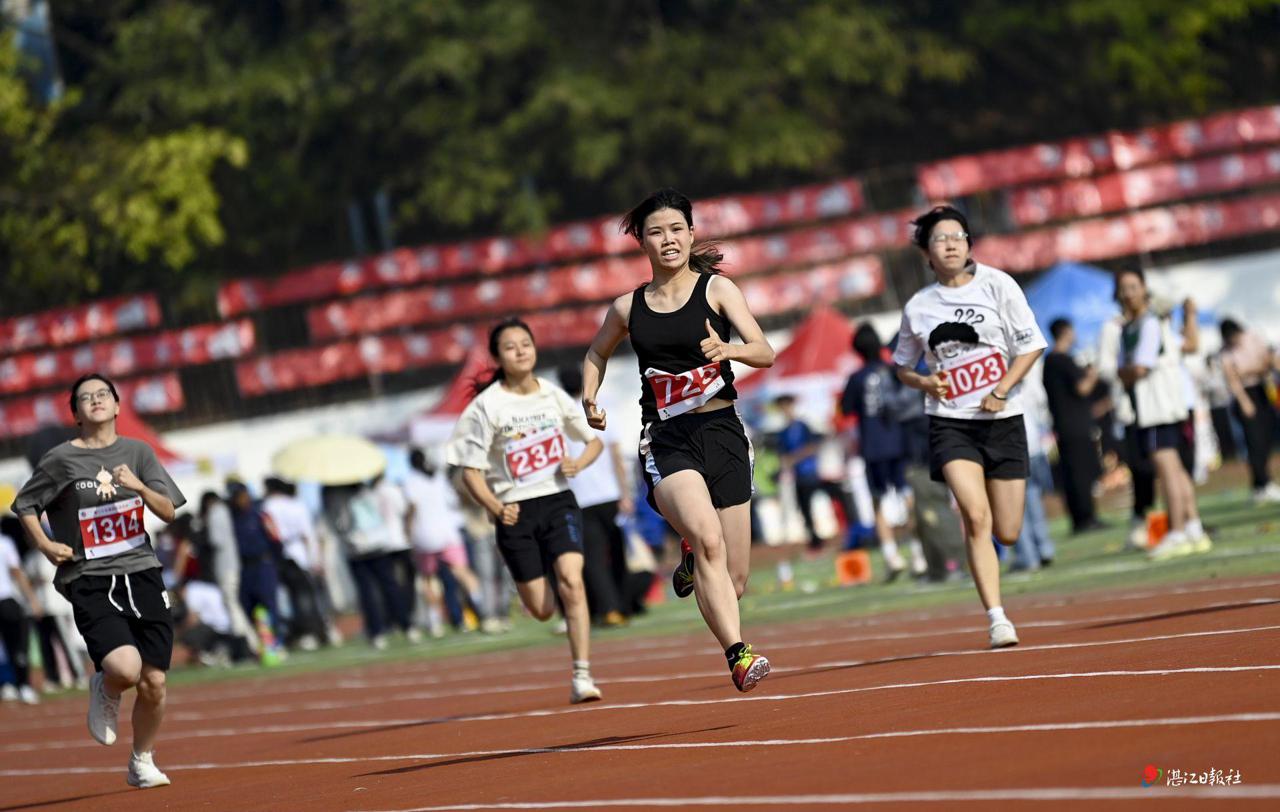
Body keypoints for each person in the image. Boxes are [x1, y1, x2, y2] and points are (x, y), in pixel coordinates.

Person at [582, 187, 776, 691]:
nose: (667, 240)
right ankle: (738, 654)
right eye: (655, 233)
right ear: (642, 243)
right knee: (709, 538)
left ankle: (692, 557)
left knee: (733, 580)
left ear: (691, 235)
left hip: (723, 431)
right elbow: (596, 353)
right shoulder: (628, 307)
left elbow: (765, 351)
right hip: (667, 438)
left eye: (675, 230)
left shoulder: (718, 290)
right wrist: (589, 398)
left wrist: (727, 350)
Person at [11, 373, 186, 788]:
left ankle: (142, 759)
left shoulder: (139, 452)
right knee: (126, 670)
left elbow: (168, 511)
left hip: (142, 572)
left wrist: (138, 486)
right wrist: (46, 546)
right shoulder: (60, 459)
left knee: (155, 682)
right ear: (76, 413)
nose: (95, 401)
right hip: (91, 576)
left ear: (117, 406)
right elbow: (25, 505)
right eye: (85, 398)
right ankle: (105, 686)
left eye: (103, 394)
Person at [892, 206, 1047, 649]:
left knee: (1008, 530)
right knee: (975, 517)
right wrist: (925, 380)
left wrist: (1001, 389)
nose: (952, 244)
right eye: (941, 239)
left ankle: (1001, 576)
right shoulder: (918, 308)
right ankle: (997, 618)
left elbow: (1031, 345)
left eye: (958, 235)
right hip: (950, 424)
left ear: (969, 242)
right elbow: (901, 366)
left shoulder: (998, 284)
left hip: (1003, 418)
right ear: (927, 252)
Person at [448, 318, 604, 703]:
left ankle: (582, 675)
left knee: (572, 580)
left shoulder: (551, 395)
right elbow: (470, 471)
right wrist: (495, 507)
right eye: (510, 347)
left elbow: (593, 443)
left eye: (526, 344)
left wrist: (577, 464)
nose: (521, 351)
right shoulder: (486, 407)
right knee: (541, 609)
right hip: (514, 511)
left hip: (556, 499)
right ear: (497, 357)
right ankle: (539, 581)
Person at [1115, 270, 1211, 560]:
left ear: (1145, 290)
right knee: (1177, 470)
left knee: (1167, 469)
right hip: (1154, 406)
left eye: (1134, 287)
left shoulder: (1151, 324)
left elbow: (1138, 368)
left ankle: (1178, 530)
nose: (1129, 293)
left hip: (1160, 406)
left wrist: (1128, 372)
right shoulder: (1131, 327)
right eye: (1124, 288)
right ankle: (1192, 527)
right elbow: (1125, 370)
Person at [842, 324, 927, 579]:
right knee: (907, 496)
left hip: (872, 446)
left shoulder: (855, 378)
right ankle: (918, 553)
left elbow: (846, 410)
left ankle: (892, 556)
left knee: (878, 501)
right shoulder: (893, 372)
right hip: (898, 441)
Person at [558, 364, 638, 625]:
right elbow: (616, 457)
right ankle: (623, 603)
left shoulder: (559, 419)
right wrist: (625, 493)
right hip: (610, 494)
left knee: (593, 558)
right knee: (617, 551)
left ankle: (609, 608)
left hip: (580, 497)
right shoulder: (601, 411)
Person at [403, 448, 483, 636]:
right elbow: (454, 502)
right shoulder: (439, 478)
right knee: (463, 573)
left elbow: (412, 509)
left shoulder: (411, 482)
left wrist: (407, 530)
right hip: (449, 533)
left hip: (425, 535)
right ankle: (481, 606)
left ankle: (435, 621)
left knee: (429, 578)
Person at [1042, 318, 1104, 533]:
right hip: (1076, 425)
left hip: (1062, 425)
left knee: (1072, 472)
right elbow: (1083, 388)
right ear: (1066, 332)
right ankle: (1087, 518)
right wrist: (1094, 372)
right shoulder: (1063, 360)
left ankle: (1080, 518)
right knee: (1082, 472)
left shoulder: (1049, 361)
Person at [774, 395, 854, 555]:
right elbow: (783, 455)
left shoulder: (803, 426)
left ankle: (852, 534)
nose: (785, 410)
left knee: (839, 499)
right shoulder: (782, 432)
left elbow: (813, 446)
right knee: (805, 511)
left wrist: (794, 458)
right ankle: (816, 542)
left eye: (787, 406)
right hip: (799, 477)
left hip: (814, 473)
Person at [261, 477, 327, 650]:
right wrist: (314, 558)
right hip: (300, 553)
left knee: (294, 597)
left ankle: (305, 633)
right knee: (306, 595)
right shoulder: (296, 504)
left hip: (283, 553)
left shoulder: (268, 506)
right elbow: (307, 533)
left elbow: (271, 532)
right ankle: (318, 631)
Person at [1219, 318, 1280, 503]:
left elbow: (1267, 361)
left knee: (1266, 438)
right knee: (1254, 441)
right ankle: (1262, 483)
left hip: (1262, 389)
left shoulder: (1253, 337)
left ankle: (1260, 484)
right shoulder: (1225, 353)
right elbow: (1233, 378)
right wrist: (1244, 402)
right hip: (1245, 395)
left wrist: (1250, 370)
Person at [226, 482, 285, 653]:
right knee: (248, 606)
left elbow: (275, 539)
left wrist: (276, 562)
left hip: (263, 564)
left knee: (269, 604)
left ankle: (277, 643)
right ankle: (262, 643)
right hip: (245, 567)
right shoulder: (232, 518)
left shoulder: (259, 514)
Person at [1, 525, 43, 704]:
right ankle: (22, 685)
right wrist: (32, 599)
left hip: (7, 600)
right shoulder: (5, 542)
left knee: (7, 647)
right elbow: (16, 572)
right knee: (17, 644)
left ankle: (8, 684)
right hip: (7, 599)